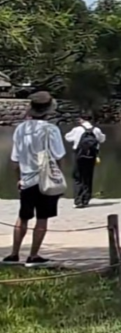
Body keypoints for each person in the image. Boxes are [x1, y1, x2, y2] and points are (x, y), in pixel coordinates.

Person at [3, 91, 66, 266]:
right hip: (45, 179)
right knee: (42, 218)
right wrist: (58, 176)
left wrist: (19, 178)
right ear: (48, 109)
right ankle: (33, 255)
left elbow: (15, 159)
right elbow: (59, 156)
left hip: (27, 178)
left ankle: (14, 254)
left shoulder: (21, 129)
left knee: (23, 217)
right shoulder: (51, 129)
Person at [64, 115, 106, 208]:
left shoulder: (77, 129)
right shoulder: (96, 130)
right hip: (91, 156)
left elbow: (67, 137)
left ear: (81, 120)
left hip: (79, 155)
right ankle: (86, 199)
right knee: (88, 177)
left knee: (78, 177)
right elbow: (102, 139)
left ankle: (78, 200)